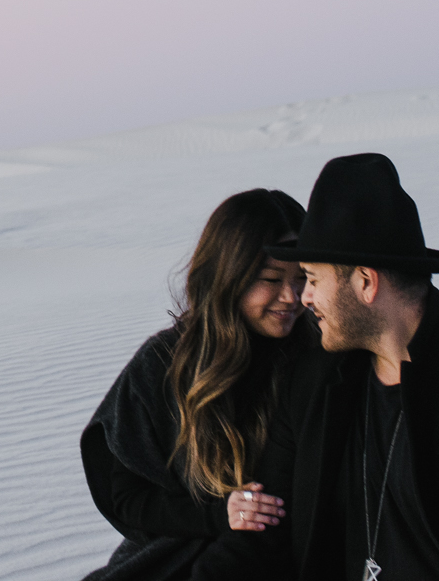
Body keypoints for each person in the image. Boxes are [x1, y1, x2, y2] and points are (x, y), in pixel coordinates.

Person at [196, 153, 439, 581]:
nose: (304, 298)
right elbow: (267, 530)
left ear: (365, 282)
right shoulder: (314, 380)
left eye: (312, 277)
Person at [80, 189, 314, 581]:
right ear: (229, 276)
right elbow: (127, 497)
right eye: (271, 279)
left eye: (303, 279)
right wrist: (217, 514)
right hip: (173, 558)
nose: (290, 297)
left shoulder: (315, 359)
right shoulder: (163, 364)